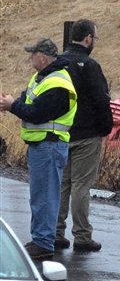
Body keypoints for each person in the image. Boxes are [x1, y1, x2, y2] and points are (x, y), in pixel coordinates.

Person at [0, 38, 77, 259]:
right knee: (40, 196)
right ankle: (40, 239)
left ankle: (43, 242)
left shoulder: (58, 85)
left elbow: (37, 113)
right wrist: (13, 103)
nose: (30, 58)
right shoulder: (42, 77)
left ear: (43, 57)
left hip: (49, 145)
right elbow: (26, 101)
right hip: (41, 145)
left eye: (32, 54)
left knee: (45, 196)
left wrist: (13, 105)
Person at [55, 19, 113, 252]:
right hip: (87, 135)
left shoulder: (58, 63)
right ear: (88, 38)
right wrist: (105, 127)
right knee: (81, 186)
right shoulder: (89, 66)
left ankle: (56, 231)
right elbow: (101, 100)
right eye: (94, 38)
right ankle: (82, 235)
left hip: (61, 132)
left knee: (62, 185)